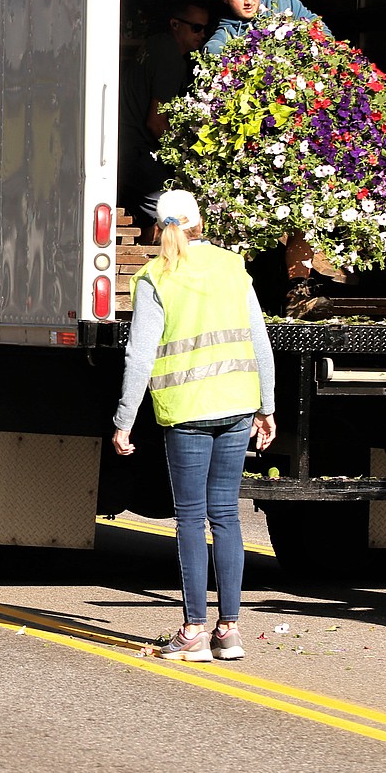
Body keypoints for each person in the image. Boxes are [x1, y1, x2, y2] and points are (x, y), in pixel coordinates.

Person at [112, 189, 275, 662]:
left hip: (186, 411)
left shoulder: (154, 277)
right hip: (238, 405)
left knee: (188, 518)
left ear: (156, 226)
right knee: (225, 515)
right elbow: (258, 342)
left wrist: (124, 420)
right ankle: (230, 632)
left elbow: (139, 355)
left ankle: (193, 632)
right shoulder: (232, 266)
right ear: (200, 223)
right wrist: (266, 406)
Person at [205, 0, 338, 317]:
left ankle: (300, 292)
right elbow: (213, 61)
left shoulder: (283, 4)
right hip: (258, 146)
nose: (248, 1)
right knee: (253, 220)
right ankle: (245, 296)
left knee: (304, 213)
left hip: (300, 135)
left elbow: (323, 38)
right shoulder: (225, 37)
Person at [119, 0, 211, 244]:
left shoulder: (154, 44)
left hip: (123, 151)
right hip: (136, 156)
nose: (202, 35)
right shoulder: (171, 59)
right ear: (175, 25)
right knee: (178, 212)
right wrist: (184, 163)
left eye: (205, 30)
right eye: (196, 28)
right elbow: (156, 122)